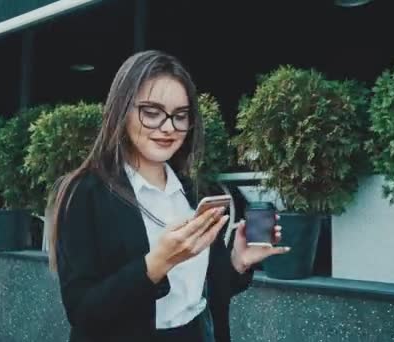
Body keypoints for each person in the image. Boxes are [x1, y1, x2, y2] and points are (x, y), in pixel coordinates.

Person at [49, 50, 290, 342]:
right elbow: (82, 311)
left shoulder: (194, 191)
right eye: (151, 112)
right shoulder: (85, 192)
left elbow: (202, 293)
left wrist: (238, 262)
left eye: (180, 116)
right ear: (122, 110)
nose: (168, 128)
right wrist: (157, 263)